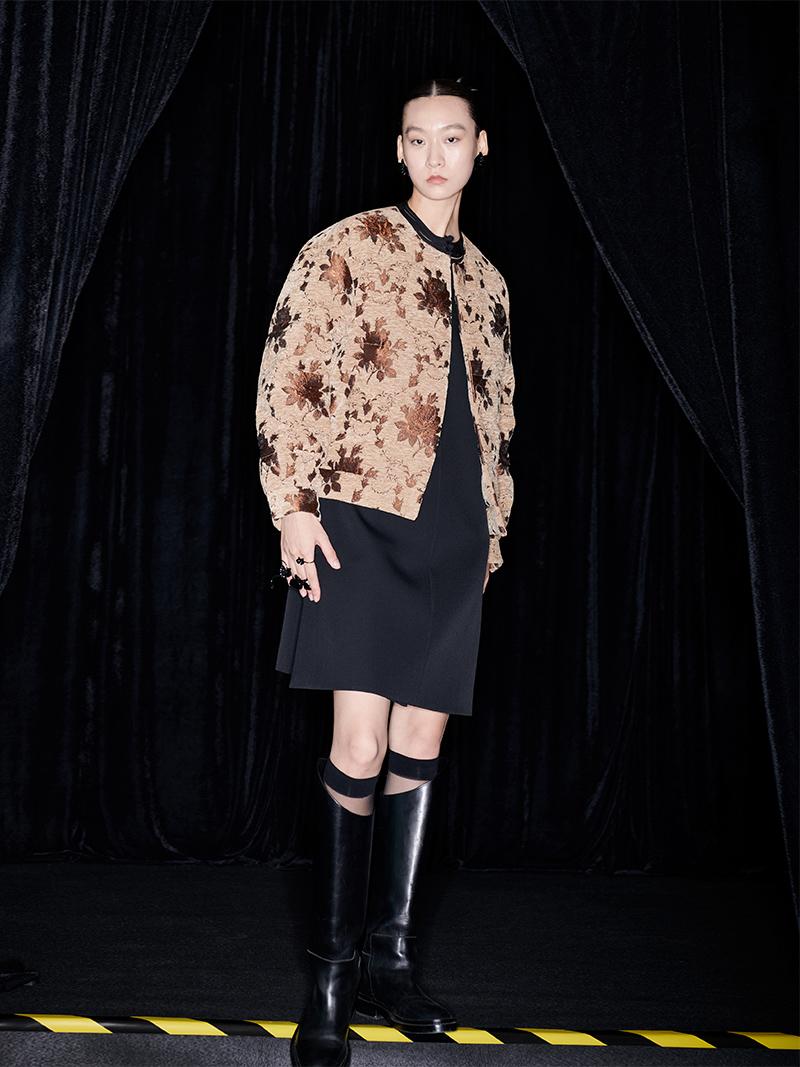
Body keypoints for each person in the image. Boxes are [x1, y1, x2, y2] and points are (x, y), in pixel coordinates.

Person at [255, 76, 515, 1067]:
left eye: (453, 138)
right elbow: (288, 374)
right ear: (399, 150)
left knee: (420, 739)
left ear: (480, 147)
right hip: (360, 519)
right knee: (357, 743)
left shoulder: (490, 283)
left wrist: (493, 532)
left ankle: (390, 960)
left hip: (453, 532)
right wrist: (293, 506)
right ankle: (329, 978)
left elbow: (500, 416)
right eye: (417, 139)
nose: (435, 155)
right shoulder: (347, 244)